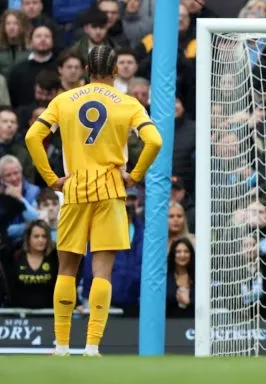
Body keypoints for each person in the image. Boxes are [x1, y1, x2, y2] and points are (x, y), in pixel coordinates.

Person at [23, 45, 163, 356]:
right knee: (102, 272)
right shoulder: (128, 104)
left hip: (74, 189)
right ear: (115, 71)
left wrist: (50, 178)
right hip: (111, 190)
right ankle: (91, 346)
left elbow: (32, 137)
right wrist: (135, 175)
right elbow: (154, 140)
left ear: (87, 68)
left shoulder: (63, 100)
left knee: (67, 269)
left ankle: (60, 345)